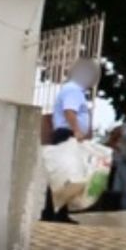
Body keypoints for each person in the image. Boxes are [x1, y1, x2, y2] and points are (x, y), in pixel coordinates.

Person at [40, 57, 99, 223]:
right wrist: (77, 131)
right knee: (65, 175)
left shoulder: (71, 89)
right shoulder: (73, 90)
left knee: (62, 174)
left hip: (65, 133)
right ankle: (56, 214)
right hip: (67, 134)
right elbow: (69, 112)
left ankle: (54, 212)